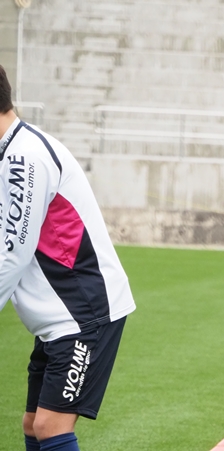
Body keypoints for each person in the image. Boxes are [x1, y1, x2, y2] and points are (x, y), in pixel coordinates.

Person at [0, 65, 136, 451]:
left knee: (50, 426)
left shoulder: (24, 158)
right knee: (33, 424)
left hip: (83, 313)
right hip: (57, 318)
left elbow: (12, 251)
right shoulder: (11, 153)